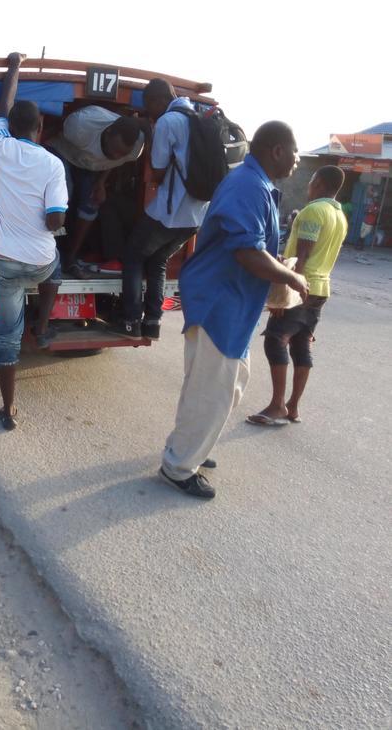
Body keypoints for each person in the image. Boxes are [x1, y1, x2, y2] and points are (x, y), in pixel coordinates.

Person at [158, 121, 309, 499]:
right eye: (294, 151)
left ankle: (192, 444)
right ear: (277, 149)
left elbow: (253, 247)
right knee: (212, 390)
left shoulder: (256, 184)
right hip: (219, 302)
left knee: (218, 385)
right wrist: (292, 280)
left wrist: (275, 269)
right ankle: (178, 466)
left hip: (231, 302)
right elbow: (246, 252)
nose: (297, 160)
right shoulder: (247, 185)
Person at [0, 53, 69, 430]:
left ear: (11, 126)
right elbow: (55, 220)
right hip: (39, 262)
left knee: (7, 335)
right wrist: (54, 217)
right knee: (58, 264)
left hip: (6, 262)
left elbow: (3, 106)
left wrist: (14, 67)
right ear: (41, 126)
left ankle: (8, 409)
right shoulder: (53, 165)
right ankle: (43, 324)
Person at [246, 166, 347, 426]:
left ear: (321, 183)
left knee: (275, 341)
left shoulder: (314, 211)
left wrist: (286, 294)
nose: (308, 186)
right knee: (301, 344)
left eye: (311, 180)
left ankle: (278, 405)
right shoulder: (340, 215)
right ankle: (293, 407)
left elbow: (302, 257)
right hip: (320, 289)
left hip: (302, 287)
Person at [115, 78, 208, 339]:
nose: (149, 112)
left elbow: (156, 170)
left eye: (149, 106)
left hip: (170, 211)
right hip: (196, 216)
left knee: (133, 255)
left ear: (158, 101)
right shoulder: (198, 117)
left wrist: (152, 133)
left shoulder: (169, 121)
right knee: (158, 260)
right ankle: (152, 322)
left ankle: (131, 321)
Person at [47, 105, 143, 274]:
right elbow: (50, 130)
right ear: (107, 133)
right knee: (62, 195)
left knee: (92, 203)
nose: (116, 156)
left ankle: (71, 256)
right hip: (62, 152)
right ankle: (49, 252)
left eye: (122, 154)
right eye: (114, 150)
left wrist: (101, 182)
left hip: (90, 165)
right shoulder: (80, 126)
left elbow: (114, 161)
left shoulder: (135, 148)